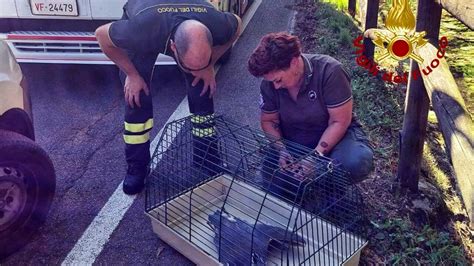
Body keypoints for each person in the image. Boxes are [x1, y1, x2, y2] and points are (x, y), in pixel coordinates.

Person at [95, 1, 242, 195]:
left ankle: (207, 158)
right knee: (137, 96)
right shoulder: (140, 29)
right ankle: (137, 167)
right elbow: (101, 35)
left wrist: (209, 65)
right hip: (148, 18)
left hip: (182, 19)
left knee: (202, 87)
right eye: (189, 66)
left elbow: (238, 24)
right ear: (172, 48)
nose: (193, 71)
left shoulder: (218, 23)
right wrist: (131, 74)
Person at [247, 32, 373, 200]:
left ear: (293, 62)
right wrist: (282, 150)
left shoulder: (330, 71)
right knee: (274, 183)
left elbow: (339, 121)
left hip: (337, 137)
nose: (275, 87)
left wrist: (315, 157)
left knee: (354, 162)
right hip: (296, 138)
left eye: (278, 80)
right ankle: (310, 181)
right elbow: (268, 121)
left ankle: (332, 188)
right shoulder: (270, 85)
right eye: (272, 82)